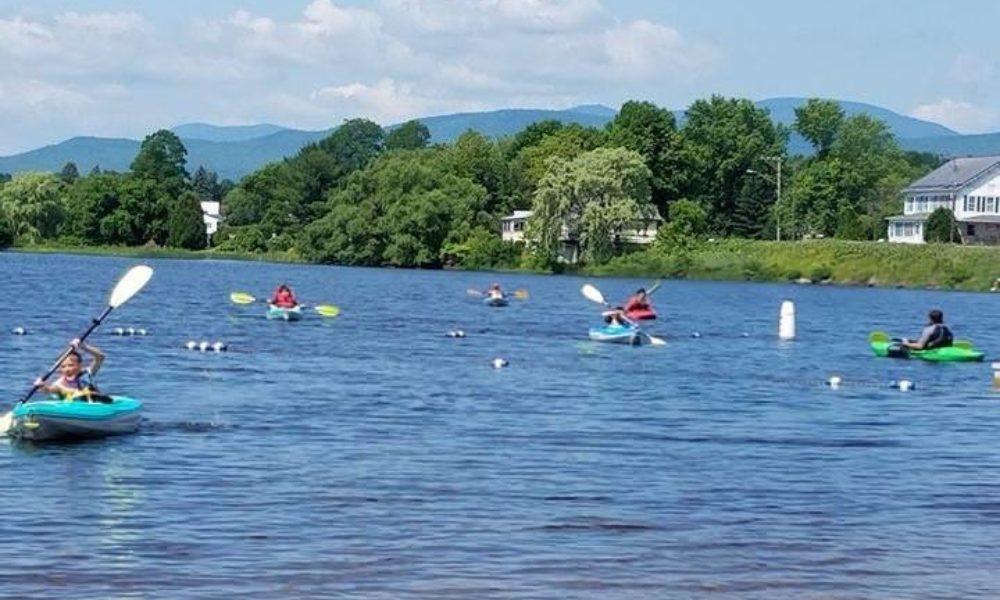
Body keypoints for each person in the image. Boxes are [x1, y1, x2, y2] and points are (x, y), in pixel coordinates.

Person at [33, 339, 105, 401]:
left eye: (71, 365)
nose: (67, 369)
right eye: (63, 367)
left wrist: (83, 346)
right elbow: (49, 390)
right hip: (72, 410)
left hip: (94, 406)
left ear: (80, 365)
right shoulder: (60, 383)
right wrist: (42, 386)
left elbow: (100, 357)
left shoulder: (87, 374)